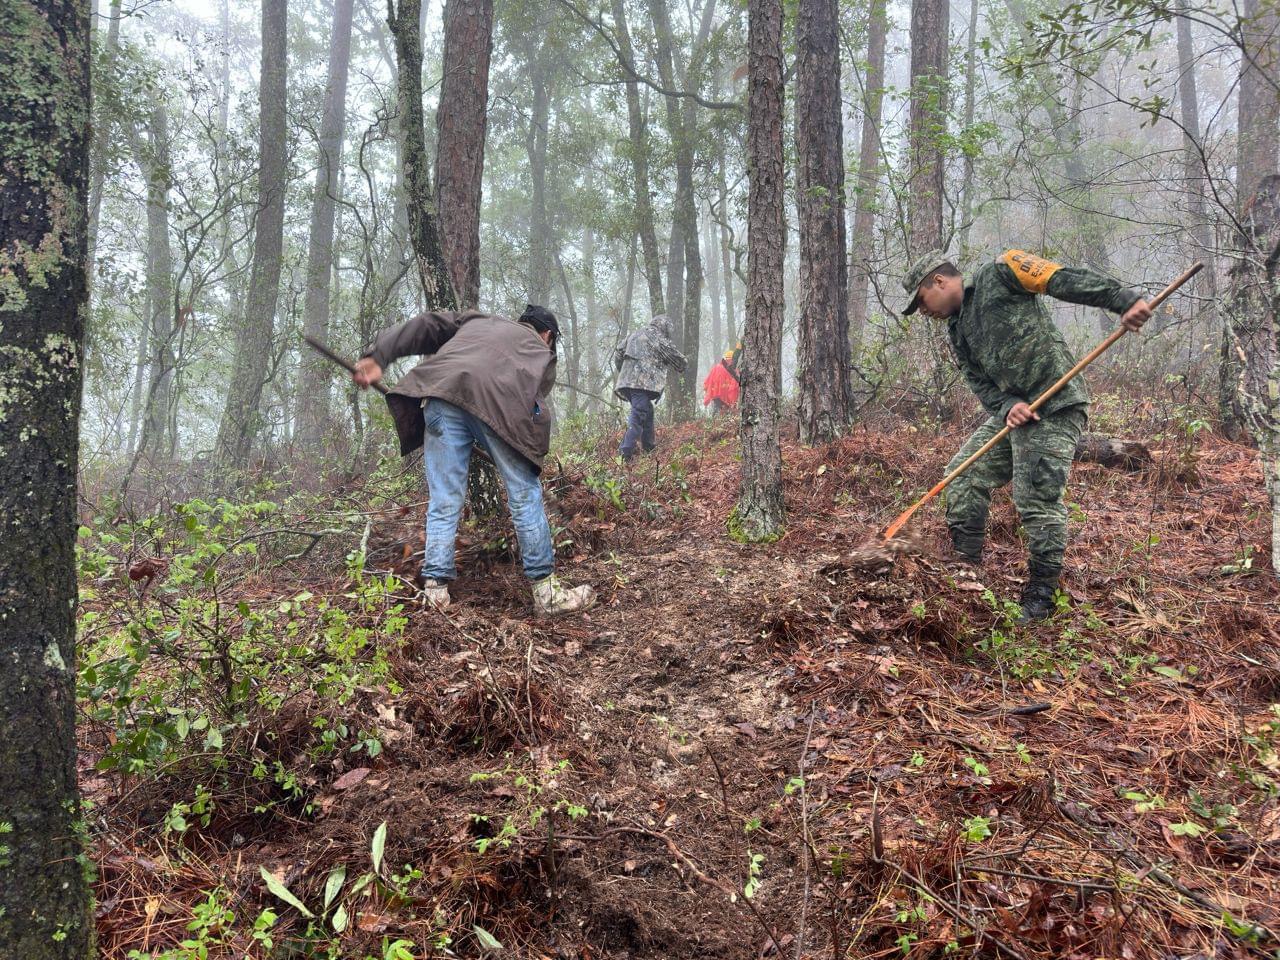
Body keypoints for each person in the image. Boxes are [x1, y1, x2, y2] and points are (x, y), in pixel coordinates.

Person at [902, 249, 1153, 622]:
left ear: (939, 281)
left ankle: (1041, 594)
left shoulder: (1002, 272)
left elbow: (1061, 278)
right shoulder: (956, 331)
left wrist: (1122, 301)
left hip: (1056, 404)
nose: (925, 313)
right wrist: (1006, 406)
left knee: (1034, 497)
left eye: (922, 303)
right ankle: (965, 572)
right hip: (1017, 415)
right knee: (963, 474)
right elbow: (979, 382)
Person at [353, 304, 596, 617]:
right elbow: (535, 404)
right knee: (524, 495)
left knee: (444, 499)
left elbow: (426, 325)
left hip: (440, 394)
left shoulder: (479, 320)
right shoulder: (541, 349)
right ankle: (547, 594)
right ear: (547, 335)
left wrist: (379, 356)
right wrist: (530, 458)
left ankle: (436, 592)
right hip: (500, 405)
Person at [612, 313, 687, 461]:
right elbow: (677, 359)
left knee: (647, 410)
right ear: (664, 327)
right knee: (639, 413)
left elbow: (619, 352)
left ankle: (649, 448)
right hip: (640, 384)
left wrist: (625, 371)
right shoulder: (657, 337)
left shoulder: (635, 333)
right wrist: (685, 362)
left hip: (627, 383)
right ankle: (625, 452)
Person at [702, 341, 743, 414]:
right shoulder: (733, 370)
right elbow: (735, 387)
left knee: (718, 414)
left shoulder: (717, 368)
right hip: (725, 399)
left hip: (716, 397)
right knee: (725, 414)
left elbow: (707, 383)